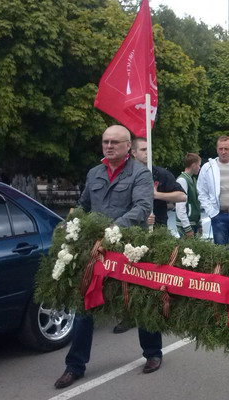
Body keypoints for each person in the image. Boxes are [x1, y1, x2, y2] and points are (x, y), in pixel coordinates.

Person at [54, 125, 163, 390]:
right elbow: (83, 205)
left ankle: (153, 352)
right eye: (105, 142)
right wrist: (71, 223)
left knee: (139, 300)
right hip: (96, 250)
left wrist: (112, 229)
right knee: (85, 306)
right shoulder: (94, 173)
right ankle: (74, 366)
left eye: (115, 142)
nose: (109, 146)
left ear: (128, 146)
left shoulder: (140, 174)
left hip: (129, 249)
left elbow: (142, 207)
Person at [112, 137, 186, 334]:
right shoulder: (123, 175)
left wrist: (156, 195)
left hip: (157, 231)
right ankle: (128, 316)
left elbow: (181, 196)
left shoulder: (159, 174)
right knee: (127, 276)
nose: (147, 152)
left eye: (149, 149)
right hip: (131, 233)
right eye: (143, 149)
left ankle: (158, 313)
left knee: (156, 274)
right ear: (133, 152)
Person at [175, 153, 203, 237]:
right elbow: (180, 206)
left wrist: (199, 223)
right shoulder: (182, 180)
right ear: (193, 165)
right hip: (186, 225)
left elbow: (196, 203)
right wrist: (187, 227)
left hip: (193, 223)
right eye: (199, 165)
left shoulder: (193, 179)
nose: (199, 168)